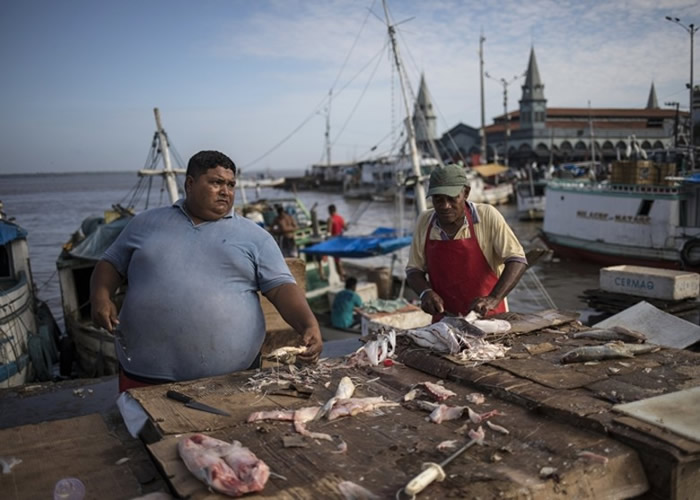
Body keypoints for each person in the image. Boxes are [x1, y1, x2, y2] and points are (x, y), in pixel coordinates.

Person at [90, 150, 322, 392]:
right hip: (142, 374)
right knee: (140, 429)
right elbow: (110, 264)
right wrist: (100, 296)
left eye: (231, 184)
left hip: (232, 378)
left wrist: (308, 324)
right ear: (190, 183)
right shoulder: (145, 223)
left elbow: (282, 288)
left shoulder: (255, 236)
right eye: (216, 182)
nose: (226, 191)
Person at [406, 164, 528, 321]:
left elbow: (517, 260)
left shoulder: (487, 216)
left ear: (466, 193)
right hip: (445, 321)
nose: (445, 206)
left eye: (451, 198)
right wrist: (425, 292)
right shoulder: (424, 221)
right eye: (438, 199)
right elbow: (413, 270)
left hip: (490, 320)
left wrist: (493, 298)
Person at [327, 204, 347, 279]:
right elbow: (345, 228)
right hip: (340, 240)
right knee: (339, 259)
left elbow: (328, 231)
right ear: (335, 210)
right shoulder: (340, 218)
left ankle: (341, 276)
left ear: (329, 211)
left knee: (336, 260)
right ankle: (342, 273)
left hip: (334, 242)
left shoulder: (330, 219)